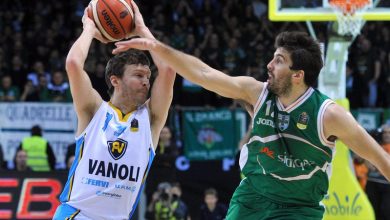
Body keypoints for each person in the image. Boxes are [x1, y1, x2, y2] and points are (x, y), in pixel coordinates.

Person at [112, 31, 390, 219]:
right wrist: (154, 45)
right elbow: (204, 73)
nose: (269, 65)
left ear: (298, 75)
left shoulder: (328, 115)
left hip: (298, 209)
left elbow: (379, 157)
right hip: (252, 198)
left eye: (278, 61)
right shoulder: (256, 93)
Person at [53, 1, 175, 219]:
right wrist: (89, 28)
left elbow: (168, 69)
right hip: (77, 214)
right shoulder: (93, 109)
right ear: (115, 80)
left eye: (147, 76)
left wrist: (141, 30)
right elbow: (73, 63)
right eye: (138, 75)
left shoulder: (151, 118)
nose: (146, 82)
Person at [366, 123, 390, 220]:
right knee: (372, 210)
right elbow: (366, 162)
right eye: (384, 133)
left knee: (386, 210)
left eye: (389, 133)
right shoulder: (375, 146)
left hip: (387, 183)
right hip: (372, 181)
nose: (387, 135)